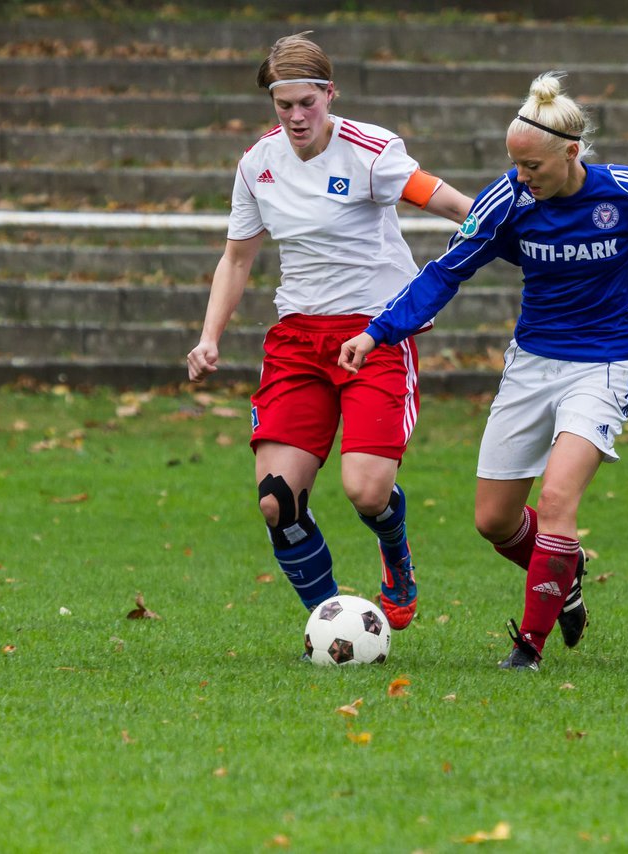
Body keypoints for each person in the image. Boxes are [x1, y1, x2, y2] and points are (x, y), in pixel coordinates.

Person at [339, 72, 628, 670]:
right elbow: (445, 272)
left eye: (532, 166)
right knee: (494, 520)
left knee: (560, 498)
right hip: (531, 365)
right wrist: (376, 331)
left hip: (605, 364)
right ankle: (565, 571)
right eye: (514, 164)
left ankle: (528, 648)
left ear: (571, 153)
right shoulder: (508, 200)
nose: (521, 177)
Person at [185, 33, 473, 637]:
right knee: (276, 501)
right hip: (297, 340)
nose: (294, 117)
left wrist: (502, 223)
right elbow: (237, 259)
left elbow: (439, 198)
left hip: (373, 336)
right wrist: (210, 336)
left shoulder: (370, 151)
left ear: (329, 94)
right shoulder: (257, 163)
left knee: (367, 493)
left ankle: (396, 559)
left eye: (306, 103)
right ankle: (328, 624)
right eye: (282, 104)